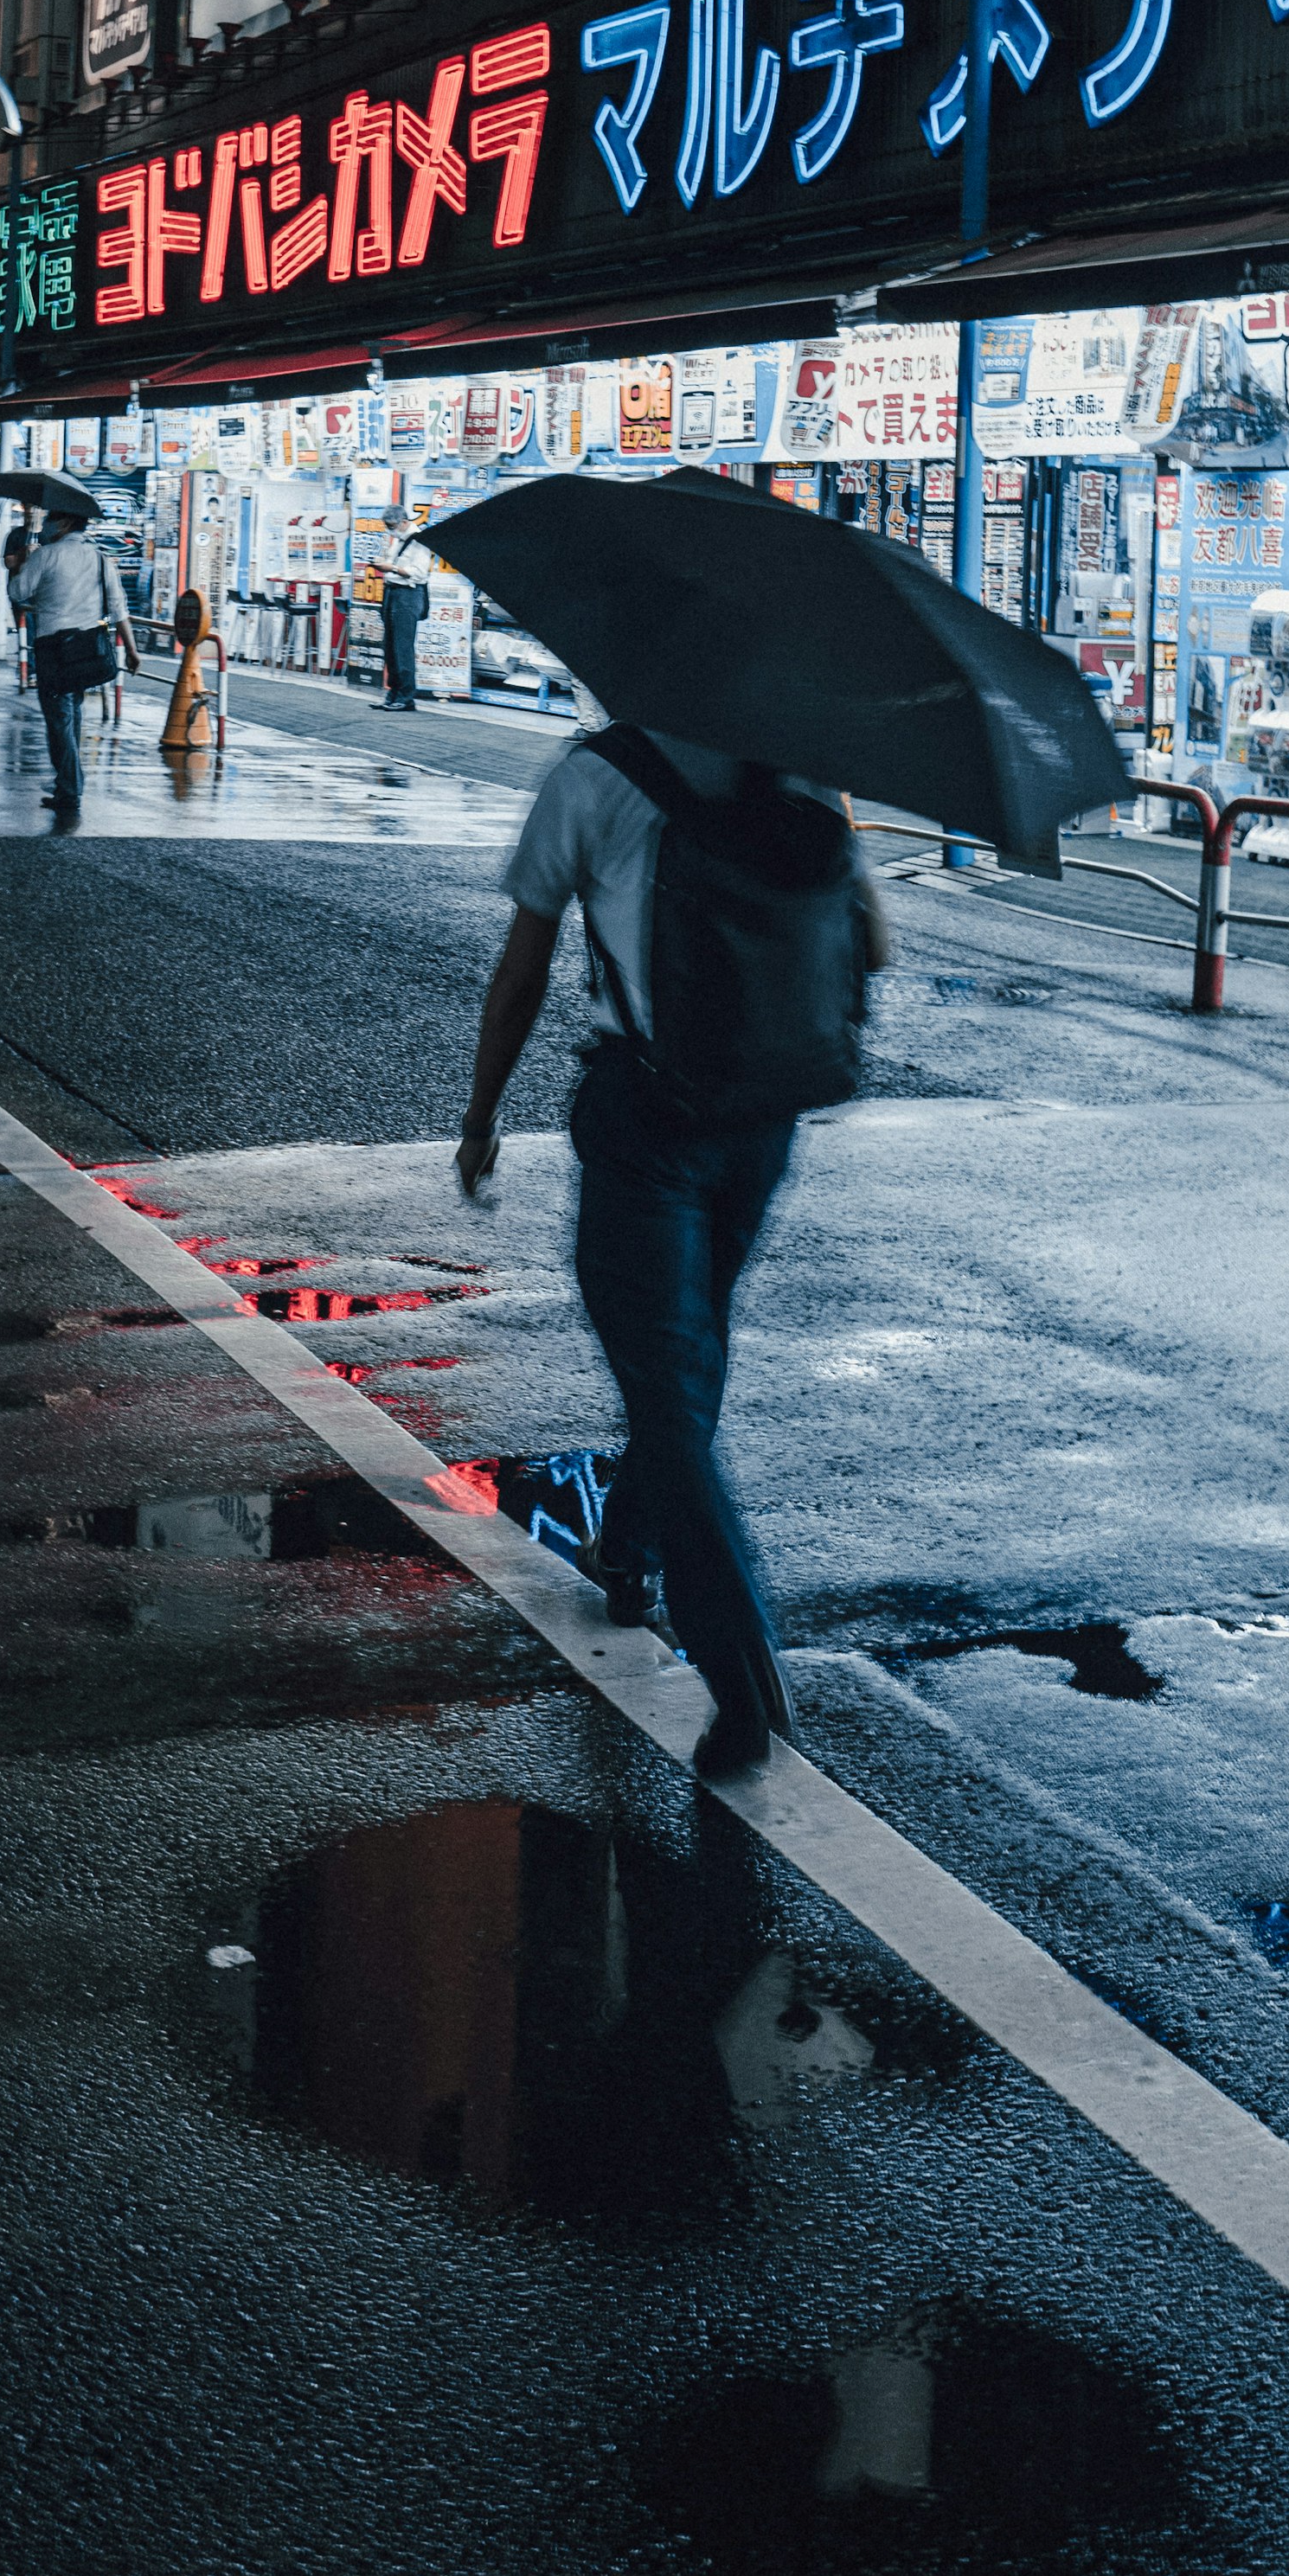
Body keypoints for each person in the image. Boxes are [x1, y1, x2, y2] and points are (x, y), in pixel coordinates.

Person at [455, 722, 888, 1782]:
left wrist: (481, 1118)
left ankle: (743, 1675)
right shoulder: (794, 765)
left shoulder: (595, 776)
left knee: (663, 1381)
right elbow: (869, 940)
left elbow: (523, 969)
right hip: (764, 1114)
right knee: (688, 1356)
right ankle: (630, 1547)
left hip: (647, 1114)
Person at [7, 508, 132, 819]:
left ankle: (70, 787)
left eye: (51, 519)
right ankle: (67, 783)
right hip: (87, 649)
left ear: (64, 522)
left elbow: (18, 592)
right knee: (71, 713)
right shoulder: (101, 559)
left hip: (53, 648)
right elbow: (118, 607)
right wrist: (132, 650)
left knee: (60, 719)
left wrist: (22, 562)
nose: (47, 524)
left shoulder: (46, 555)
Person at [379, 521, 428, 710]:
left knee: (403, 646)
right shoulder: (398, 540)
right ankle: (393, 692)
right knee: (390, 645)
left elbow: (419, 573)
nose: (389, 528)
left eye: (391, 524)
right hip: (392, 592)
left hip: (408, 595)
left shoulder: (419, 540)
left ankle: (406, 696)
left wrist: (391, 569)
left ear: (404, 522)